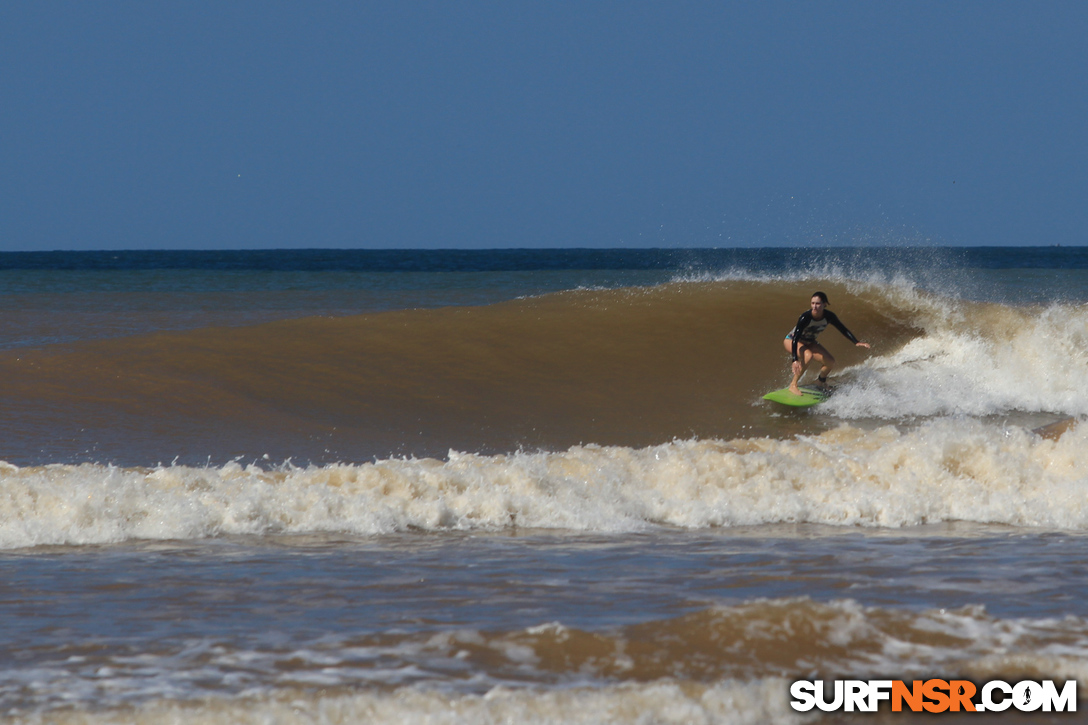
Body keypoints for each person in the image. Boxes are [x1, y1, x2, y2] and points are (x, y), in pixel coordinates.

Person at [783, 292, 870, 395]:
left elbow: (842, 329)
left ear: (824, 304)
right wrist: (795, 360)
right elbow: (796, 337)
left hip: (810, 342)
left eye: (818, 303)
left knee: (830, 362)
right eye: (812, 303)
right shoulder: (805, 317)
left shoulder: (829, 316)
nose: (814, 306)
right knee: (808, 355)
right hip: (791, 340)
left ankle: (820, 381)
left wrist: (856, 342)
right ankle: (793, 385)